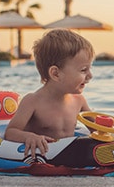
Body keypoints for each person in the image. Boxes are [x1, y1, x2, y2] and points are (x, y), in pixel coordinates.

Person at [5, 29, 95, 157]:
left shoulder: (79, 101)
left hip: (68, 158)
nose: (90, 76)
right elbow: (10, 132)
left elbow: (96, 129)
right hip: (43, 160)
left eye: (90, 68)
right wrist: (29, 137)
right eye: (83, 70)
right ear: (56, 73)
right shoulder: (32, 101)